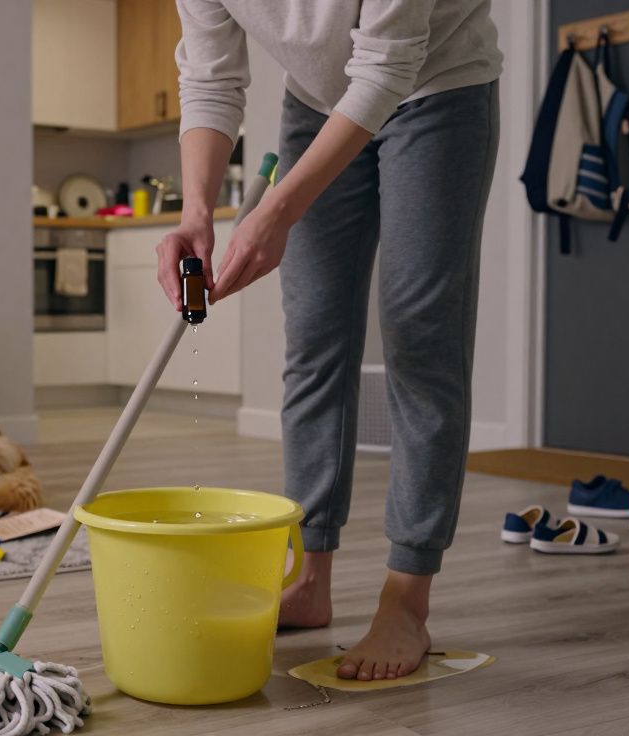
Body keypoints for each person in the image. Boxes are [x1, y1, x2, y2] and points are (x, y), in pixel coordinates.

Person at [156, 0, 502, 682]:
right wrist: (198, 210)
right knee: (314, 338)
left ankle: (408, 595)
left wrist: (277, 209)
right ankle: (311, 574)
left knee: (419, 337)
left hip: (437, 86)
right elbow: (210, 78)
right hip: (315, 102)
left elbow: (388, 62)